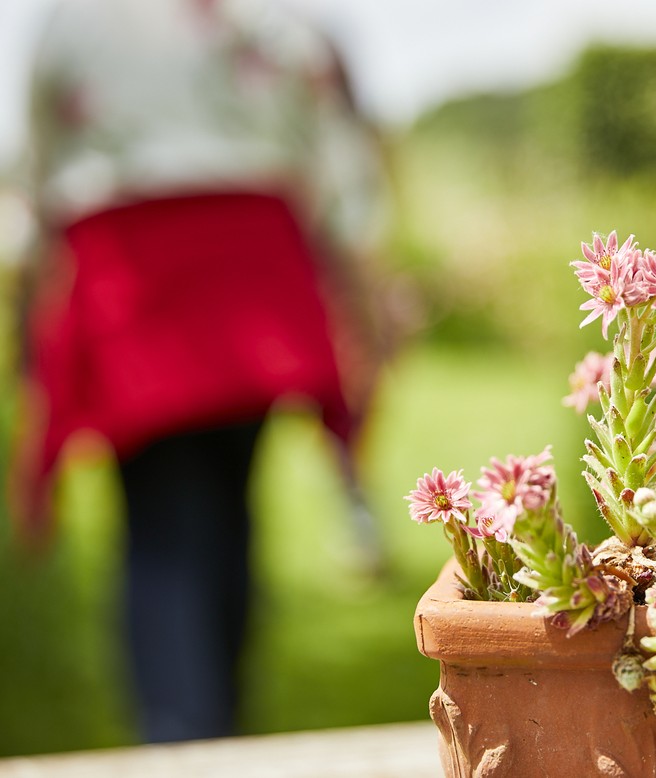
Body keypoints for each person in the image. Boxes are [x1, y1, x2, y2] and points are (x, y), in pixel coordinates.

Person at [13, 0, 390, 743]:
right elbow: (339, 176)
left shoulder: (73, 20)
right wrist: (362, 298)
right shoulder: (279, 22)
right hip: (249, 270)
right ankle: (213, 728)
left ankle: (185, 734)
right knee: (225, 504)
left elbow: (37, 171)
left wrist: (28, 311)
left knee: (159, 521)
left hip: (136, 275)